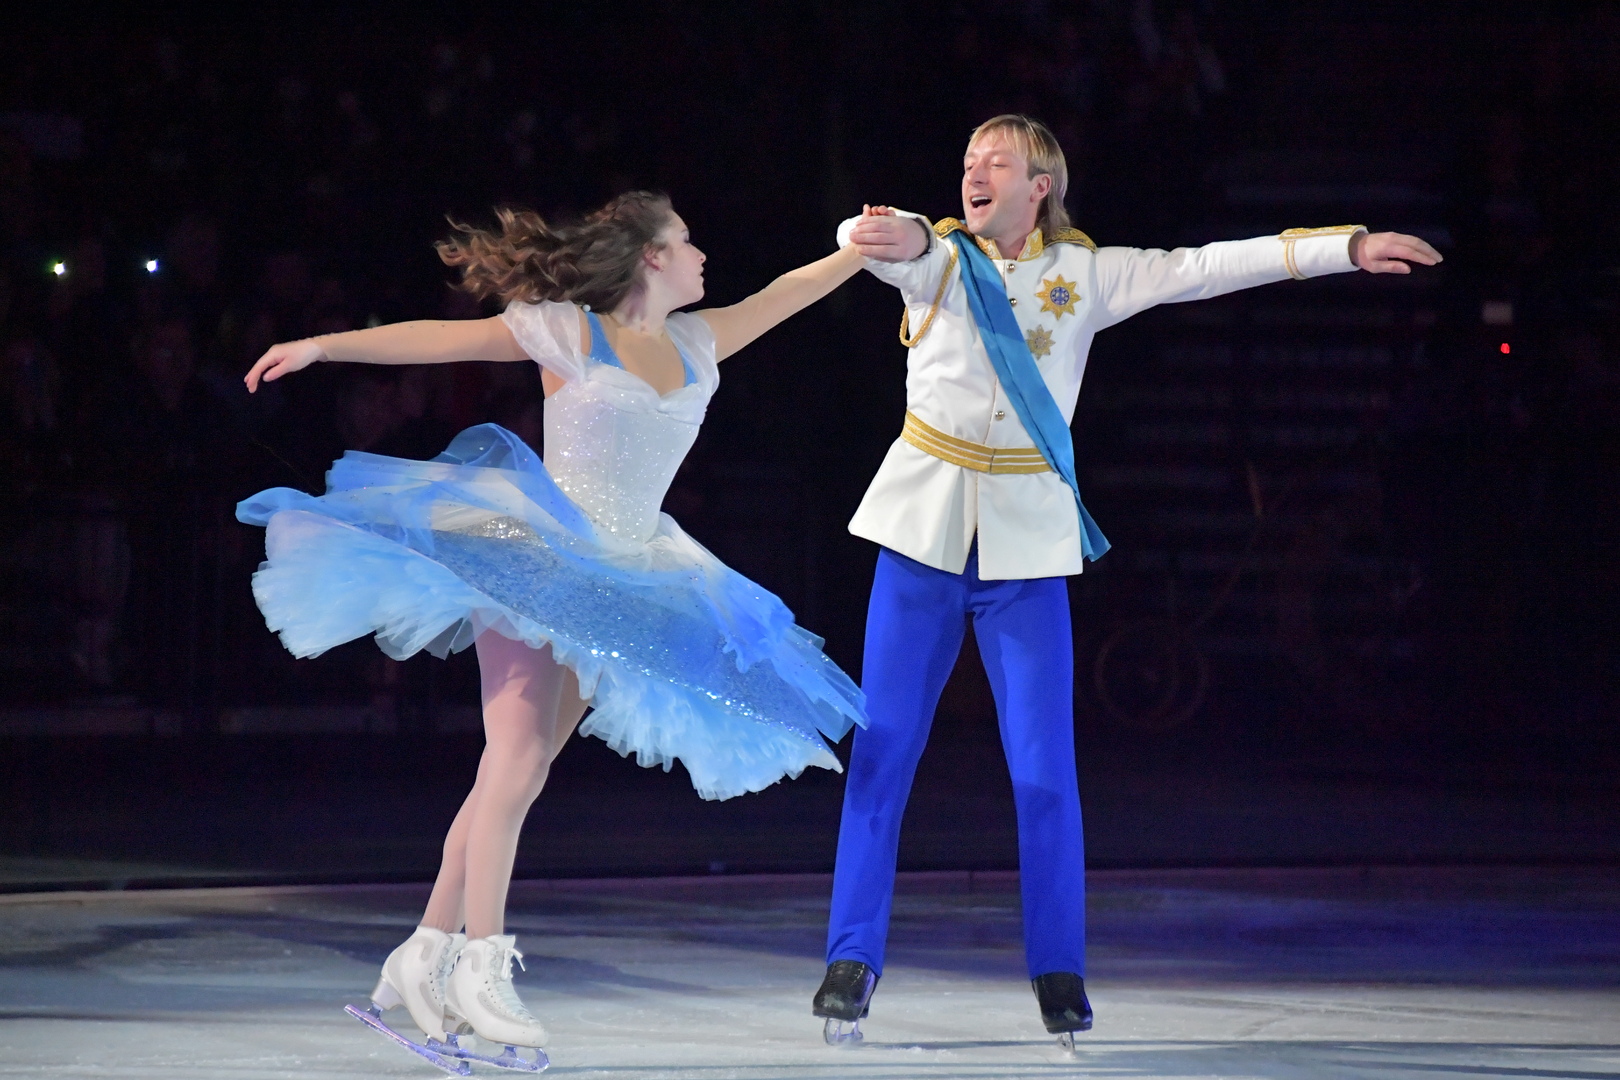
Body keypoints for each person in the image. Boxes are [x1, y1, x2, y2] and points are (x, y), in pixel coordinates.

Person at [813, 115, 1441, 1047]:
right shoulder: (941, 260)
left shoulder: (1091, 276)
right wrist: (886, 229)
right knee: (883, 755)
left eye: (998, 164)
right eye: (967, 163)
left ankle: (1059, 971)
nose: (975, 174)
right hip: (919, 540)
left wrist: (1343, 247)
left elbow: (1209, 265)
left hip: (1025, 554)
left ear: (1042, 187)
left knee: (1044, 775)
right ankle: (850, 961)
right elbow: (881, 238)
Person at [239, 192, 872, 1070]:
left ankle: (424, 953)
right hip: (538, 561)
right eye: (686, 240)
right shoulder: (569, 333)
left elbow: (793, 289)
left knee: (520, 770)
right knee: (511, 766)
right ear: (651, 256)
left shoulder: (698, 341)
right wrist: (321, 346)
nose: (700, 254)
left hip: (625, 580)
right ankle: (481, 967)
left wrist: (860, 250)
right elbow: (435, 336)